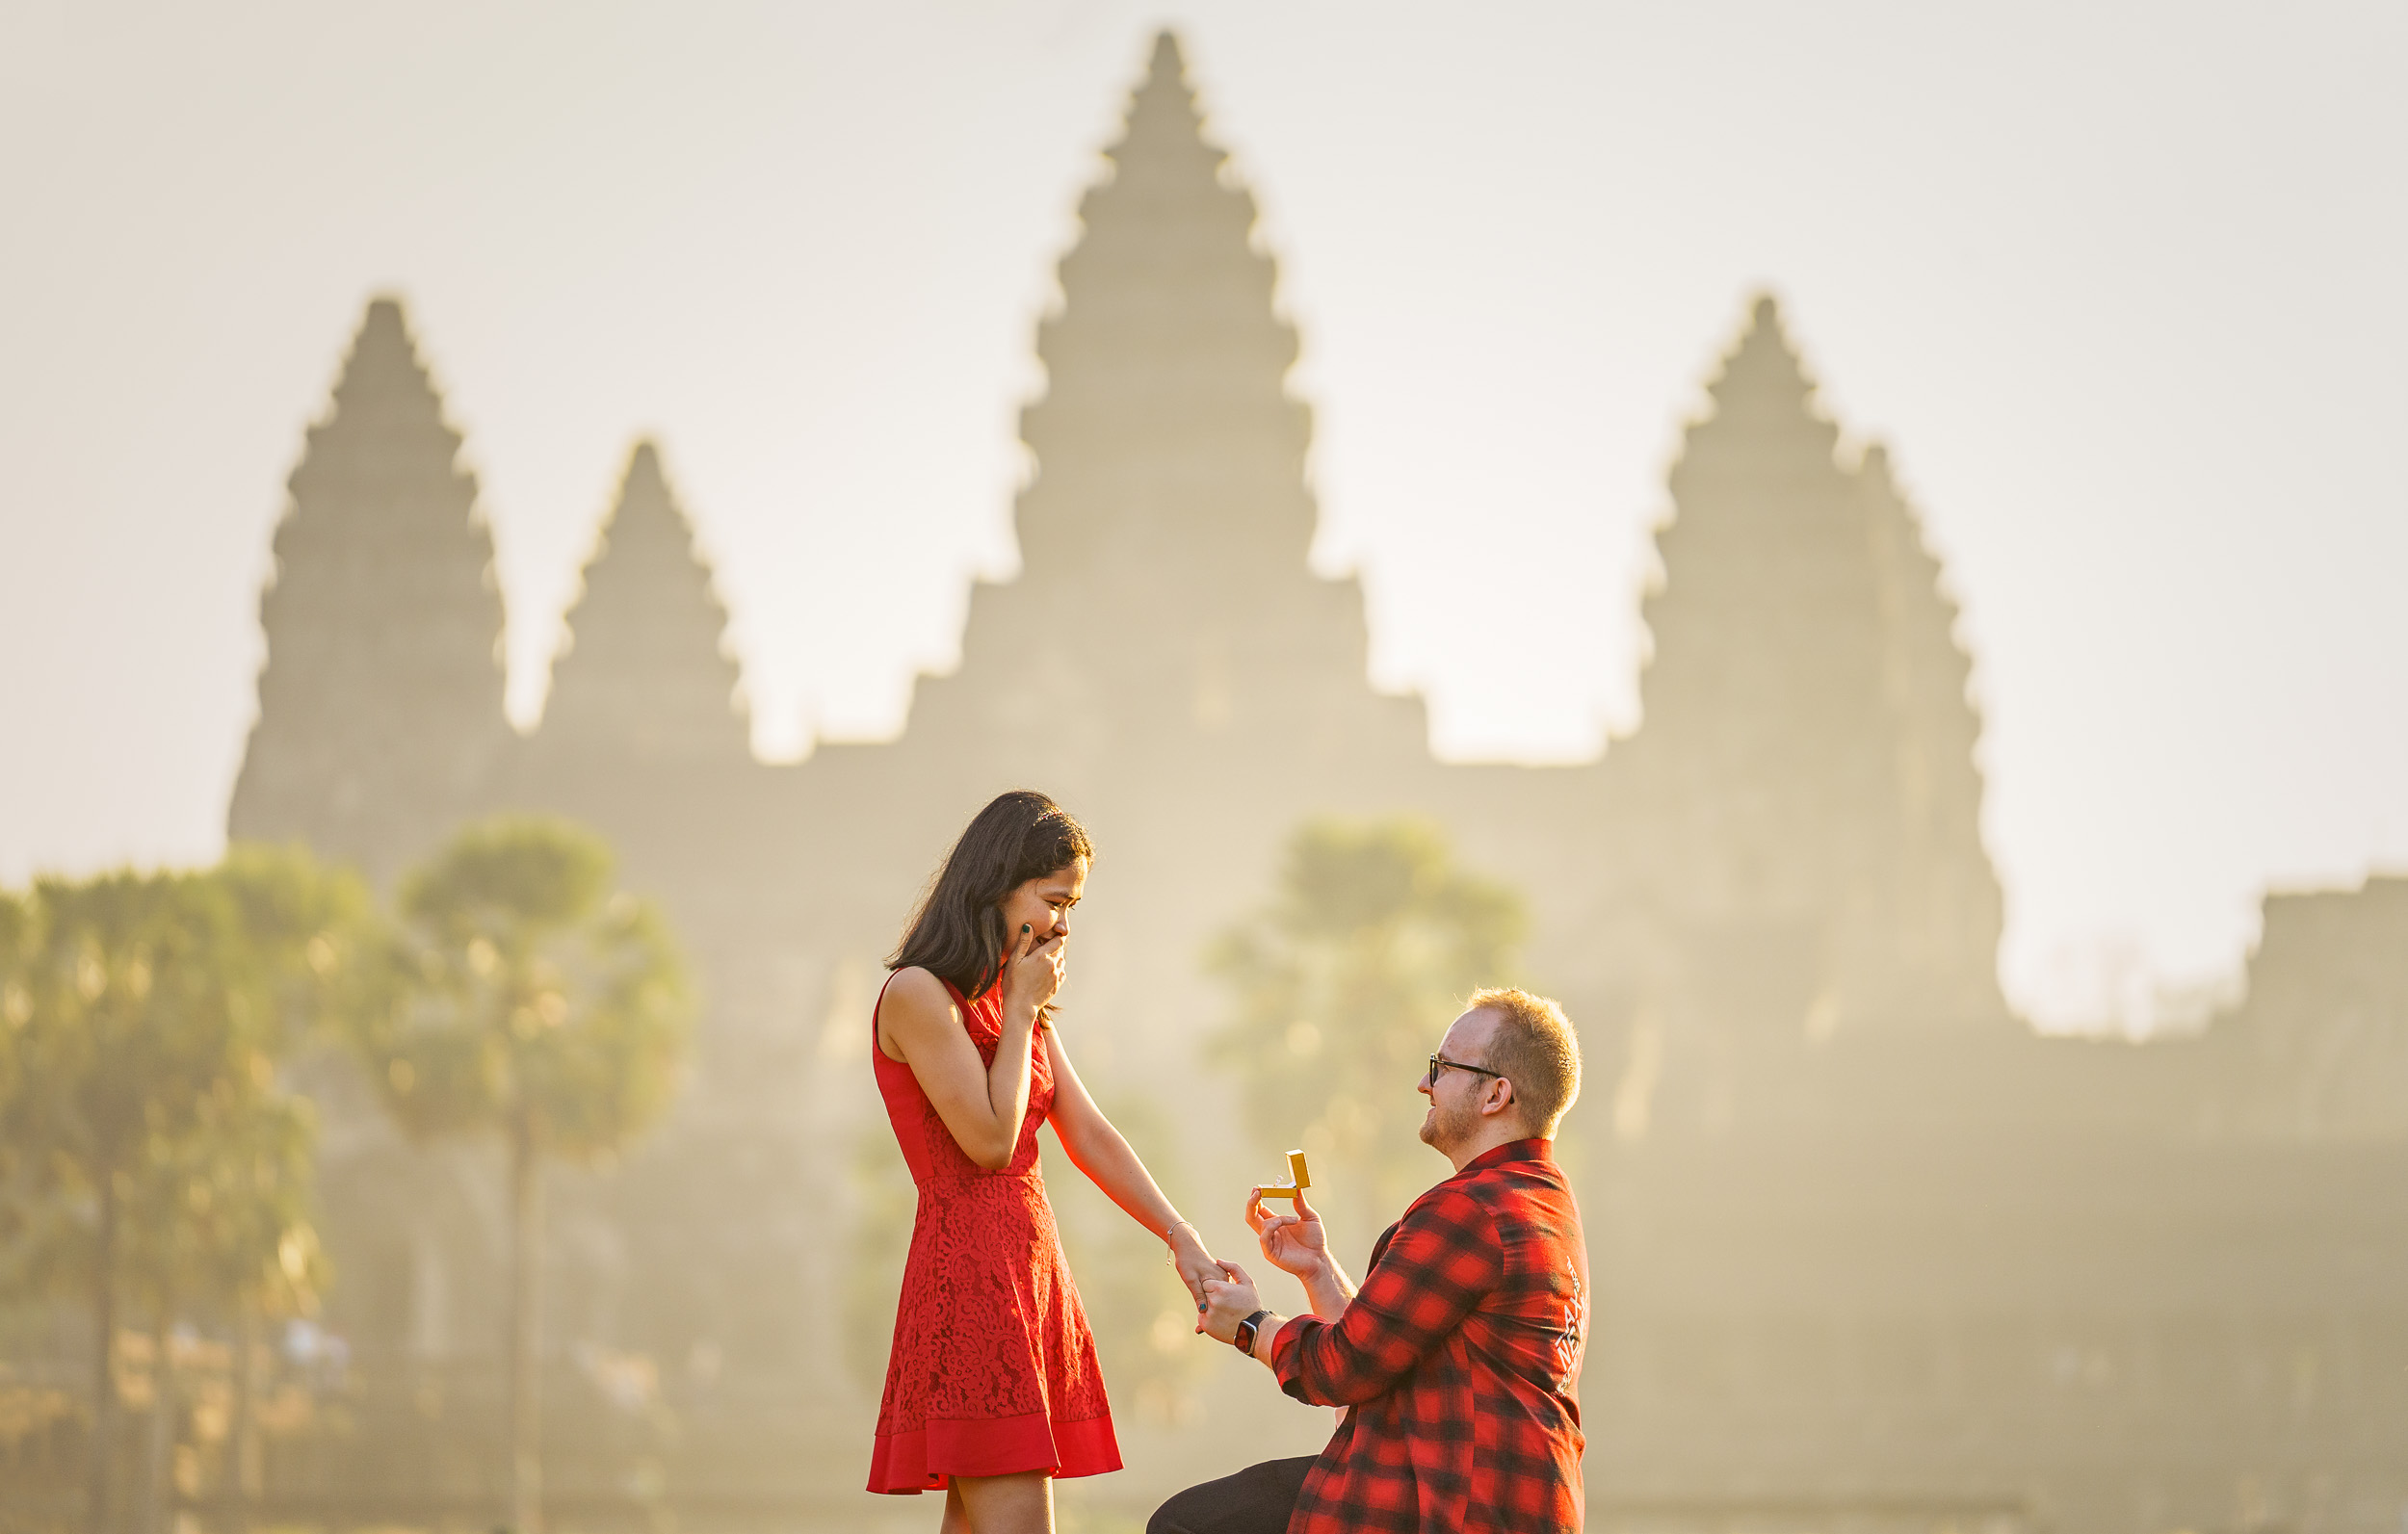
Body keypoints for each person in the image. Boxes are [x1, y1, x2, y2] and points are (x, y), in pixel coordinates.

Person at [869, 790, 1222, 1534]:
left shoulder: (1009, 999)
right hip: (971, 1283)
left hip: (1028, 1273)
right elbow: (991, 1143)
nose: (1064, 924)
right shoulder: (918, 995)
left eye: (1074, 906)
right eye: (1055, 899)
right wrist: (1025, 1008)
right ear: (1000, 883)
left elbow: (1088, 1133)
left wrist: (1179, 1234)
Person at [1159, 988, 1589, 1534]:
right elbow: (1382, 1352)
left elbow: (1341, 1369)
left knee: (1185, 1527)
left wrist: (1249, 1326)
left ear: (1495, 1095)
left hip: (1447, 1504)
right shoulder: (1543, 1200)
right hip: (1507, 1503)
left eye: (1443, 1067)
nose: (1424, 1083)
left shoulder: (1469, 1209)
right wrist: (1317, 1269)